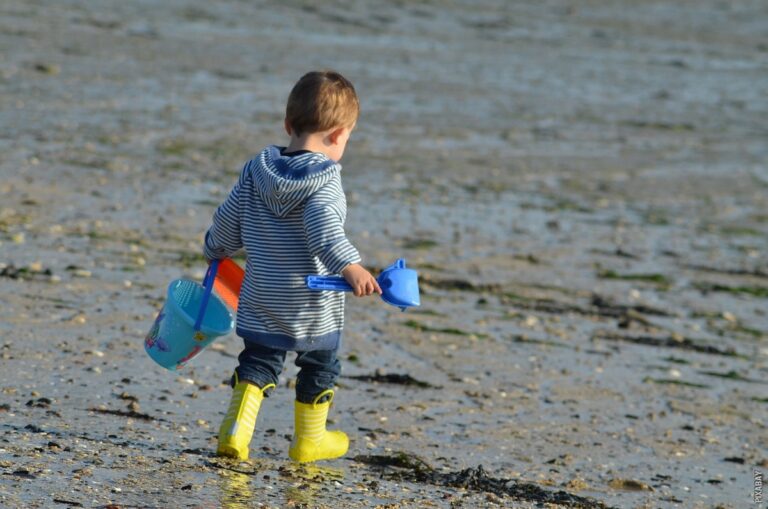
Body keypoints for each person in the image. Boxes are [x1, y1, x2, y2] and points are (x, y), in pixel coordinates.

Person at [203, 70, 381, 463]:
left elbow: (229, 221)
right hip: (311, 301)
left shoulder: (256, 171)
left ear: (288, 125)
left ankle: (236, 430)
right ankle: (309, 441)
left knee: (259, 360)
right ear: (338, 135)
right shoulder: (325, 181)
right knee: (320, 363)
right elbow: (325, 231)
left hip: (262, 293)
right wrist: (350, 265)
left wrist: (215, 248)